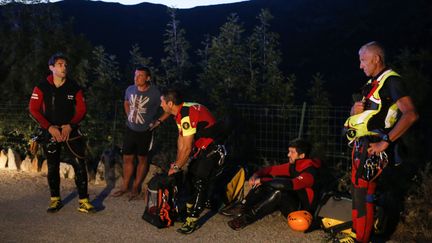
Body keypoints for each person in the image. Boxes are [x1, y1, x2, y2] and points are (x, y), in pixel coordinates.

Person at [344, 41, 418, 243]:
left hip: (375, 147)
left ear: (376, 58)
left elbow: (410, 114)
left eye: (363, 60)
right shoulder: (372, 83)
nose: (360, 65)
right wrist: (354, 111)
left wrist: (385, 142)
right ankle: (357, 233)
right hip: (361, 145)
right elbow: (363, 114)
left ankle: (362, 238)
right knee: (358, 192)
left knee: (364, 193)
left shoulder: (392, 81)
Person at [29, 52, 96, 213]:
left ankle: (84, 201)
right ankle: (55, 200)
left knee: (80, 165)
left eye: (65, 65)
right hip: (50, 132)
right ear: (51, 67)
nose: (64, 67)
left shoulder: (74, 87)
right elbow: (34, 109)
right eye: (60, 64)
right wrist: (50, 128)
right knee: (52, 167)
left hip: (70, 131)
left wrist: (70, 125)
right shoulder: (41, 86)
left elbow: (82, 109)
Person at [160, 89, 226, 234]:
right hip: (203, 148)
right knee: (190, 179)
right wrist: (177, 162)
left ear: (170, 103)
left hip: (213, 148)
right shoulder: (181, 112)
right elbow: (181, 140)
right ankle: (187, 212)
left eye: (162, 102)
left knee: (199, 182)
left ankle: (192, 220)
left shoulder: (185, 115)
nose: (161, 105)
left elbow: (188, 147)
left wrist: (177, 166)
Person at [225, 138, 321, 230]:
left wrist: (263, 180)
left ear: (302, 156)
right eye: (289, 151)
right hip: (296, 202)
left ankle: (245, 219)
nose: (288, 155)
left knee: (279, 192)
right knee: (267, 181)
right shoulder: (295, 166)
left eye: (292, 152)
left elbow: (289, 184)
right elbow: (269, 170)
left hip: (304, 215)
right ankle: (242, 208)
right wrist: (256, 175)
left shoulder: (310, 172)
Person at [112, 66, 169, 200]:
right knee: (127, 157)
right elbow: (126, 101)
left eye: (140, 76)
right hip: (130, 129)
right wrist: (128, 115)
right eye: (135, 75)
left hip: (145, 131)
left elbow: (168, 109)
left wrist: (158, 122)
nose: (136, 78)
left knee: (142, 159)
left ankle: (136, 187)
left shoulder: (155, 93)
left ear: (148, 78)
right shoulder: (130, 89)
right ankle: (125, 186)